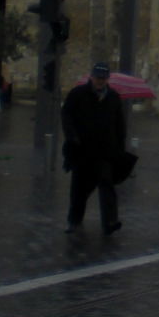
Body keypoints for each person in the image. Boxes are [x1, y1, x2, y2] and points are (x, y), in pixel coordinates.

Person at [61, 62, 128, 235]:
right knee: (79, 189)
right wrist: (72, 136)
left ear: (107, 79)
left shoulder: (113, 97)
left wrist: (120, 149)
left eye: (103, 78)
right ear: (92, 77)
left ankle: (110, 222)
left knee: (107, 184)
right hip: (82, 150)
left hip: (105, 151)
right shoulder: (78, 94)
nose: (100, 81)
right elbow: (66, 114)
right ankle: (74, 220)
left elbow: (119, 124)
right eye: (98, 77)